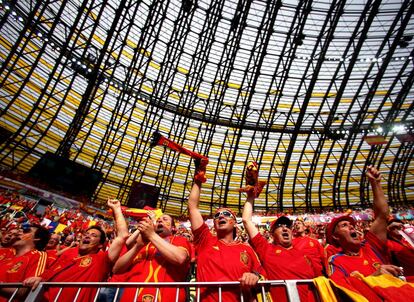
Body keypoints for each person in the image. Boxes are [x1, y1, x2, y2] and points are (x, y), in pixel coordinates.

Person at [23, 198, 128, 302]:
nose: (87, 236)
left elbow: (122, 235)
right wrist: (39, 279)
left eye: (93, 235)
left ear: (101, 245)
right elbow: (47, 275)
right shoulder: (67, 253)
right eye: (86, 234)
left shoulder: (101, 260)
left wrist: (116, 209)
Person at [188, 174, 264, 301]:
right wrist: (198, 179)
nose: (221, 216)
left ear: (234, 223)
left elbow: (260, 272)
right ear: (214, 224)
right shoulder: (205, 240)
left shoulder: (247, 249)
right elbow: (192, 207)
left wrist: (254, 276)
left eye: (226, 214)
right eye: (217, 216)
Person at [326, 166, 402, 281]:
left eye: (351, 224)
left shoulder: (371, 246)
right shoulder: (336, 261)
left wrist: (375, 183)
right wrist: (374, 277)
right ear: (335, 236)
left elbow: (382, 215)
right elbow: (341, 289)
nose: (351, 226)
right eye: (344, 225)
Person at [243, 190, 320, 302]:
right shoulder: (266, 249)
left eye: (288, 226)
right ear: (272, 233)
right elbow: (246, 221)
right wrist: (250, 196)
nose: (285, 228)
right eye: (279, 226)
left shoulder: (305, 255)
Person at [113, 214, 191, 302]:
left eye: (165, 219)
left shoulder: (179, 240)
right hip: (130, 298)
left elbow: (180, 258)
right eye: (158, 220)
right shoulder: (141, 243)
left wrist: (151, 235)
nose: (160, 221)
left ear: (173, 228)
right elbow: (117, 269)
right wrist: (137, 246)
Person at [0, 224, 50, 301]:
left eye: (25, 231)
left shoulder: (38, 256)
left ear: (36, 238)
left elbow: (24, 291)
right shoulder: (4, 252)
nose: (18, 233)